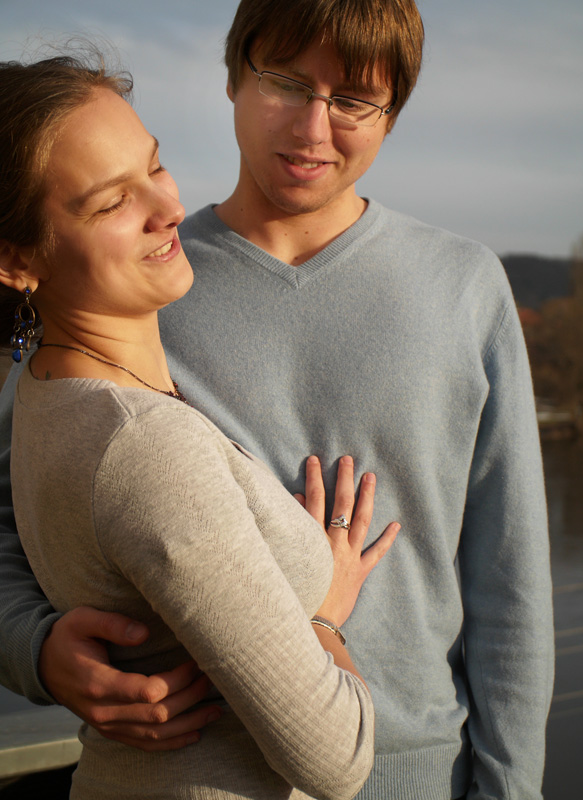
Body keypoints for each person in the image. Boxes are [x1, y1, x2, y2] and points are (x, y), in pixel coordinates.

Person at [0, 1, 554, 798]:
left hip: (428, 775)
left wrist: (510, 789)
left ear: (392, 115)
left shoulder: (465, 289)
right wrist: (38, 649)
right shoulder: (128, 281)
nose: (313, 127)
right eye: (286, 82)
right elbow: (14, 509)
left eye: (354, 99)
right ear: (233, 76)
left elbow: (510, 586)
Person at [0, 50, 401, 800]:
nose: (168, 207)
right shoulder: (144, 443)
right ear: (18, 259)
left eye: (153, 166)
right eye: (110, 202)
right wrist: (321, 617)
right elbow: (338, 760)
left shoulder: (43, 391)